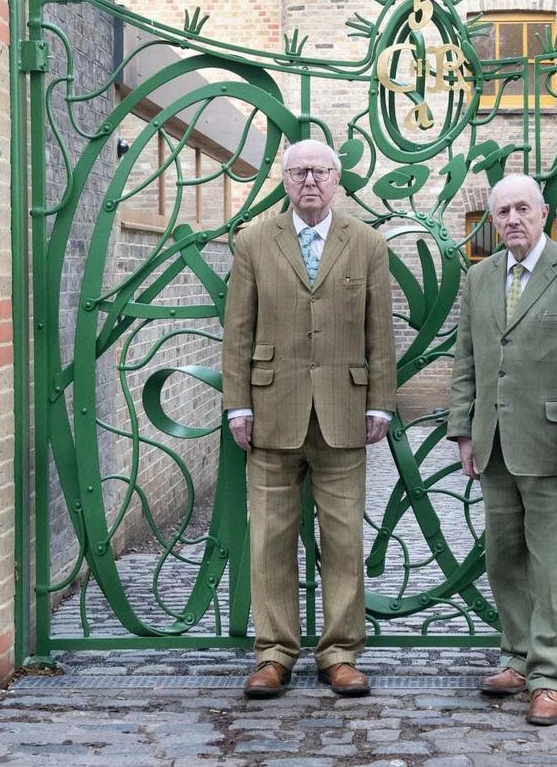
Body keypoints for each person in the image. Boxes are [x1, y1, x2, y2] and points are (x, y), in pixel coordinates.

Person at [221, 138, 397, 699]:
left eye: (319, 171)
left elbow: (381, 332)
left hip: (344, 412)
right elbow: (238, 330)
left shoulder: (366, 243)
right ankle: (273, 655)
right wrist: (238, 403)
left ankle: (341, 653)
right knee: (271, 538)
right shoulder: (253, 241)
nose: (309, 182)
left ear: (337, 178)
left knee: (343, 540)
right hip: (272, 412)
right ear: (285, 181)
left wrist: (380, 402)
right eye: (298, 173)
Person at [447, 173, 557, 726]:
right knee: (505, 561)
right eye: (502, 213)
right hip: (495, 445)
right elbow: (466, 361)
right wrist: (464, 431)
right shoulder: (479, 278)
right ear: (492, 221)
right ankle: (516, 658)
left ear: (544, 213)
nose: (513, 220)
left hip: (554, 446)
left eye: (522, 209)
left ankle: (551, 676)